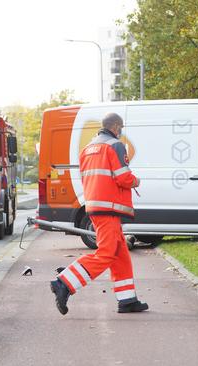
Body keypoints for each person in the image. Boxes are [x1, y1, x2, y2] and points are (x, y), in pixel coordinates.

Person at [50, 112, 148, 315]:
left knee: (120, 255)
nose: (121, 132)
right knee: (105, 254)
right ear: (115, 127)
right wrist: (136, 181)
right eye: (121, 128)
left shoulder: (87, 149)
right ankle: (64, 283)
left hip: (95, 206)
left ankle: (127, 300)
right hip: (109, 208)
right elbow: (123, 177)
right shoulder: (115, 145)